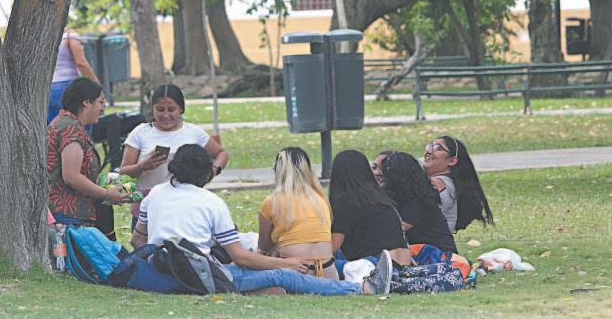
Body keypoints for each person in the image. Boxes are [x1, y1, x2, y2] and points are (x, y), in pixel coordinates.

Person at [130, 144, 392, 295]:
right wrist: (287, 263)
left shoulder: (155, 193)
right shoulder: (211, 202)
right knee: (283, 275)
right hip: (200, 275)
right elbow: (242, 258)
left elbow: (137, 239)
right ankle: (360, 290)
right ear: (206, 173)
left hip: (161, 269)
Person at [330, 150, 468, 294]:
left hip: (394, 259)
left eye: (383, 170)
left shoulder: (416, 203)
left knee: (324, 264)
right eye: (374, 167)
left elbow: (333, 247)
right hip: (397, 259)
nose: (378, 173)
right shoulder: (380, 198)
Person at [120, 84, 228, 227]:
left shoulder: (193, 132)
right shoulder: (140, 133)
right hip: (147, 214)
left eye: (171, 109)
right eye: (160, 109)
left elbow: (221, 153)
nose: (165, 115)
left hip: (185, 211)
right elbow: (123, 173)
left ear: (181, 109)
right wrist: (143, 166)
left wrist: (213, 170)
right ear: (153, 109)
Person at [47, 78, 128, 230]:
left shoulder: (67, 123)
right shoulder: (70, 129)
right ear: (86, 102)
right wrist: (106, 194)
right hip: (67, 216)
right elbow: (72, 177)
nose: (102, 108)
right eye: (100, 102)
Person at [258, 147, 336, 278]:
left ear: (278, 172)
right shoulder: (321, 200)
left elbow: (264, 246)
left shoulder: (272, 202)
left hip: (296, 272)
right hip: (328, 271)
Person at [329, 150, 410, 266]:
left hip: (377, 265)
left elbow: (333, 247)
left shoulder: (346, 200)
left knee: (316, 266)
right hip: (403, 261)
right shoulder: (379, 195)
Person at [380, 152, 457, 253]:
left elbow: (396, 229)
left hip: (438, 255)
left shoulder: (418, 201)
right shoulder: (405, 196)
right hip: (421, 252)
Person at [424, 136, 493, 232]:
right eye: (430, 146)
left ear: (452, 160)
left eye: (438, 148)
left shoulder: (437, 183)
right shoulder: (449, 184)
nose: (429, 151)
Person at [47, 28, 99, 124]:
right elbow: (81, 63)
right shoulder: (70, 35)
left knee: (56, 127)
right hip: (68, 87)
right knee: (81, 126)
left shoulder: (46, 36)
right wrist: (97, 86)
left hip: (50, 89)